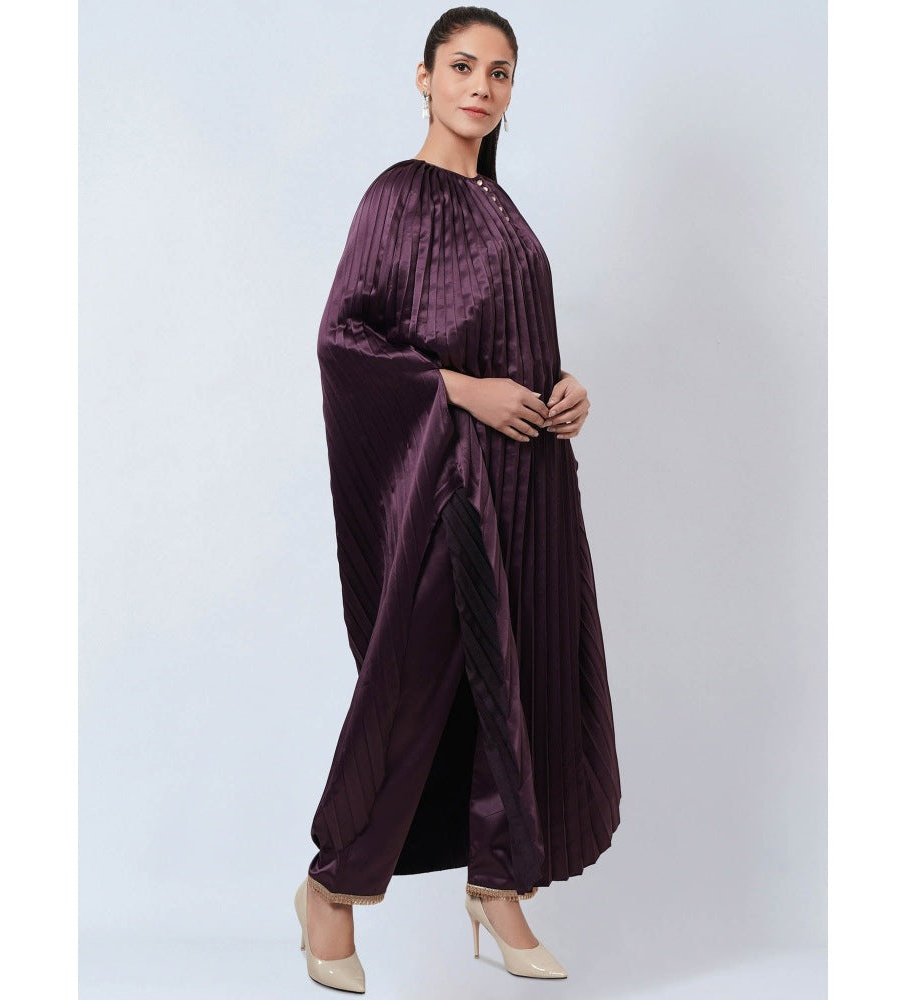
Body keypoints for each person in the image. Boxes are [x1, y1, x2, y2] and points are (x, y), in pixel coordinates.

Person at [295, 6, 622, 992]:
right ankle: (331, 888)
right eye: (463, 66)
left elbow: (512, 335)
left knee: (516, 678)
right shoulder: (397, 196)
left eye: (500, 72)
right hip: (452, 482)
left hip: (529, 483)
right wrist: (463, 391)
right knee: (417, 680)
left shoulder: (503, 209)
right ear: (425, 77)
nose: (481, 86)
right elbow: (343, 338)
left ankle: (499, 885)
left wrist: (564, 387)